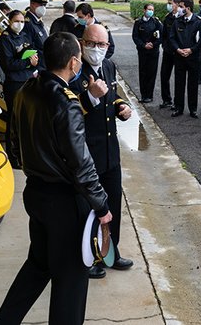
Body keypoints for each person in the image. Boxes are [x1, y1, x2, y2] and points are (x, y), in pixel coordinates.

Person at [0, 32, 112, 325]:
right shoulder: (65, 101)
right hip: (64, 203)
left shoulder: (27, 89)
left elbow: (15, 146)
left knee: (38, 266)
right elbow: (81, 164)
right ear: (73, 62)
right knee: (70, 283)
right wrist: (102, 206)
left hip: (36, 194)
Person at [73, 24, 134, 279]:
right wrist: (91, 97)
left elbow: (114, 95)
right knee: (91, 209)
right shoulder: (74, 71)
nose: (97, 49)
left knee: (113, 204)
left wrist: (123, 107)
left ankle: (111, 251)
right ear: (82, 43)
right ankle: (91, 256)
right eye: (92, 43)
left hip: (111, 152)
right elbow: (71, 111)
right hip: (89, 154)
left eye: (102, 45)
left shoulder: (108, 66)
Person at [0, 10, 39, 169]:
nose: (20, 24)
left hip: (28, 81)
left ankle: (24, 155)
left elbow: (32, 53)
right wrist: (28, 63)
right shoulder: (4, 40)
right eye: (16, 21)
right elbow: (8, 65)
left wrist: (33, 62)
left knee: (26, 121)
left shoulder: (25, 36)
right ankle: (14, 158)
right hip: (14, 84)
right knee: (14, 122)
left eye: (22, 21)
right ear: (9, 21)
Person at [170, 0, 201, 118]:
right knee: (179, 84)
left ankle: (193, 109)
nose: (179, 9)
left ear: (188, 8)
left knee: (193, 84)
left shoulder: (198, 22)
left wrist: (191, 50)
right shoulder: (177, 21)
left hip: (193, 58)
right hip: (179, 57)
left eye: (181, 6)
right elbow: (172, 38)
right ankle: (178, 108)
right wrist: (178, 49)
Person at [131, 3, 162, 103]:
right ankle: (143, 95)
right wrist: (143, 45)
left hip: (153, 51)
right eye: (149, 9)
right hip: (143, 51)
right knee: (143, 73)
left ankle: (150, 95)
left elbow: (161, 36)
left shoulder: (156, 22)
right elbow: (135, 37)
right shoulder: (138, 22)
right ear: (144, 10)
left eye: (152, 10)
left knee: (151, 73)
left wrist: (153, 44)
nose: (150, 11)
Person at [159, 0, 181, 109]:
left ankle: (177, 103)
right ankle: (166, 99)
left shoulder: (182, 18)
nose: (168, 5)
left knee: (178, 78)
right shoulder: (168, 17)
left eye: (170, 3)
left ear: (177, 4)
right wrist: (164, 46)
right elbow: (164, 35)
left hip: (178, 53)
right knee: (164, 76)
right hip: (168, 52)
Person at [23, 0, 49, 70]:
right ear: (32, 4)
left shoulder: (38, 21)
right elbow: (29, 48)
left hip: (43, 63)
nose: (43, 8)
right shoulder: (28, 23)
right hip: (37, 66)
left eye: (44, 5)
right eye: (41, 5)